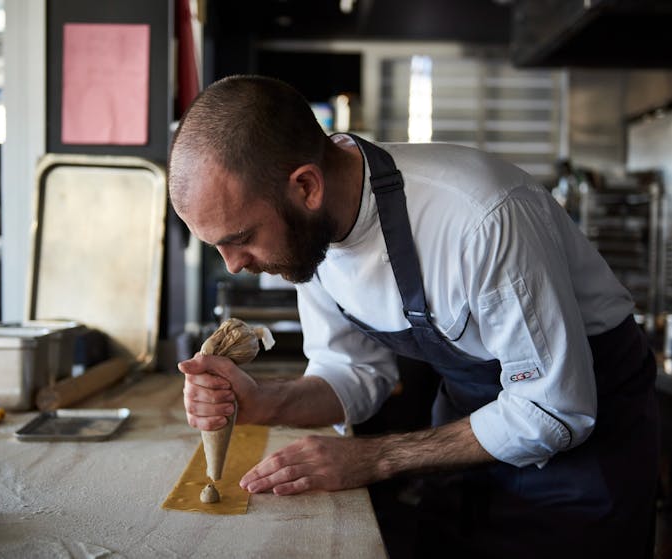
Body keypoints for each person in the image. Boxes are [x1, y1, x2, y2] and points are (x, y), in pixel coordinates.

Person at [168, 75, 659, 558]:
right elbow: (356, 374)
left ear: (307, 187)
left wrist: (376, 457)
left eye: (242, 237)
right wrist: (264, 403)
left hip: (582, 472)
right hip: (463, 453)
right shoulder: (308, 235)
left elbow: (554, 409)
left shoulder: (480, 218)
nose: (235, 264)